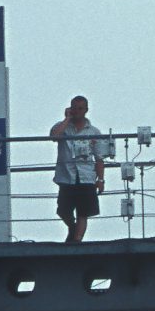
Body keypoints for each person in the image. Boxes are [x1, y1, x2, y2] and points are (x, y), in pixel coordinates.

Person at [49, 95, 112, 244]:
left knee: (83, 212)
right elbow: (54, 137)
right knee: (63, 210)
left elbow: (99, 158)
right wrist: (66, 119)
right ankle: (72, 227)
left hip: (86, 176)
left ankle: (77, 241)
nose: (76, 111)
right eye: (74, 108)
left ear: (86, 110)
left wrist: (101, 179)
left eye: (80, 108)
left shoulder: (94, 132)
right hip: (66, 176)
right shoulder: (61, 127)